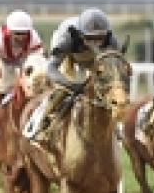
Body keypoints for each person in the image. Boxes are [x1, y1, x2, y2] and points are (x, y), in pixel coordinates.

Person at [22, 8, 118, 143]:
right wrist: (70, 85)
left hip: (93, 59)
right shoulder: (67, 37)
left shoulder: (111, 41)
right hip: (67, 55)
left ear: (106, 35)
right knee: (62, 90)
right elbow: (52, 68)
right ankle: (42, 125)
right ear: (81, 34)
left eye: (99, 39)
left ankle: (116, 127)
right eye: (91, 39)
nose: (95, 43)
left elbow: (114, 68)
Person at [0, 9, 42, 105]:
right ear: (9, 31)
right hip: (2, 59)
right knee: (3, 84)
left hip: (23, 59)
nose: (20, 37)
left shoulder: (34, 38)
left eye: (24, 33)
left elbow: (37, 58)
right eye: (17, 33)